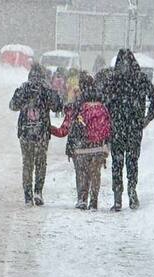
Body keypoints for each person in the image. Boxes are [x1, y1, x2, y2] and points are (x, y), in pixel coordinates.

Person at [103, 49, 154, 210]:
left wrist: (109, 120)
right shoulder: (140, 78)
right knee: (132, 161)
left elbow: (104, 103)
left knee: (117, 162)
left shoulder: (113, 80)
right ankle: (132, 192)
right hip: (134, 127)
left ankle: (117, 198)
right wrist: (146, 119)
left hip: (117, 128)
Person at [50, 72, 112, 210]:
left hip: (81, 146)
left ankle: (82, 199)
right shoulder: (103, 102)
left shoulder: (76, 105)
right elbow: (109, 125)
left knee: (81, 173)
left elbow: (64, 130)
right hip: (98, 146)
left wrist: (49, 129)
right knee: (95, 173)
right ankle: (94, 200)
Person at [10, 63, 63, 206]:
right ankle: (38, 191)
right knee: (41, 163)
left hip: (26, 133)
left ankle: (28, 196)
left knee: (27, 163)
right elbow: (58, 106)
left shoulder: (23, 88)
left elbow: (13, 105)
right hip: (42, 133)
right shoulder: (46, 90)